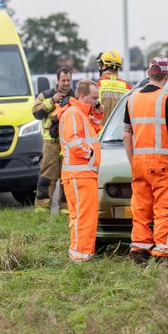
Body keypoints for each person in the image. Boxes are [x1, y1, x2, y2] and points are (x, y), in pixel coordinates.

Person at [123, 56, 168, 267]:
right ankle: (163, 254)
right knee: (165, 209)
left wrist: (134, 162)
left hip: (139, 162)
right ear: (167, 75)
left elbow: (126, 136)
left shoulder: (132, 99)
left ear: (149, 73)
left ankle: (139, 249)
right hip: (164, 163)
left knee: (140, 209)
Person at [59, 79, 104, 262]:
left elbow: (95, 130)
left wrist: (98, 113)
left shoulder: (81, 113)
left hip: (83, 175)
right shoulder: (73, 113)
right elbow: (75, 142)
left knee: (86, 217)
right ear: (83, 95)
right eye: (93, 97)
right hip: (79, 175)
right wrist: (92, 155)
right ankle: (80, 256)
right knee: (82, 218)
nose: (96, 101)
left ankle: (83, 254)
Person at [31, 66, 74, 213]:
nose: (66, 83)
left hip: (69, 144)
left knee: (67, 177)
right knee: (47, 176)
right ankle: (42, 207)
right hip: (51, 144)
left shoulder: (75, 96)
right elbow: (36, 113)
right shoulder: (46, 95)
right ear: (57, 80)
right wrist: (52, 101)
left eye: (69, 80)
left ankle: (66, 208)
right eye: (64, 80)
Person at [96, 50, 133, 122]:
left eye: (101, 64)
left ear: (105, 66)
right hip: (120, 132)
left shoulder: (96, 86)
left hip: (100, 132)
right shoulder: (128, 87)